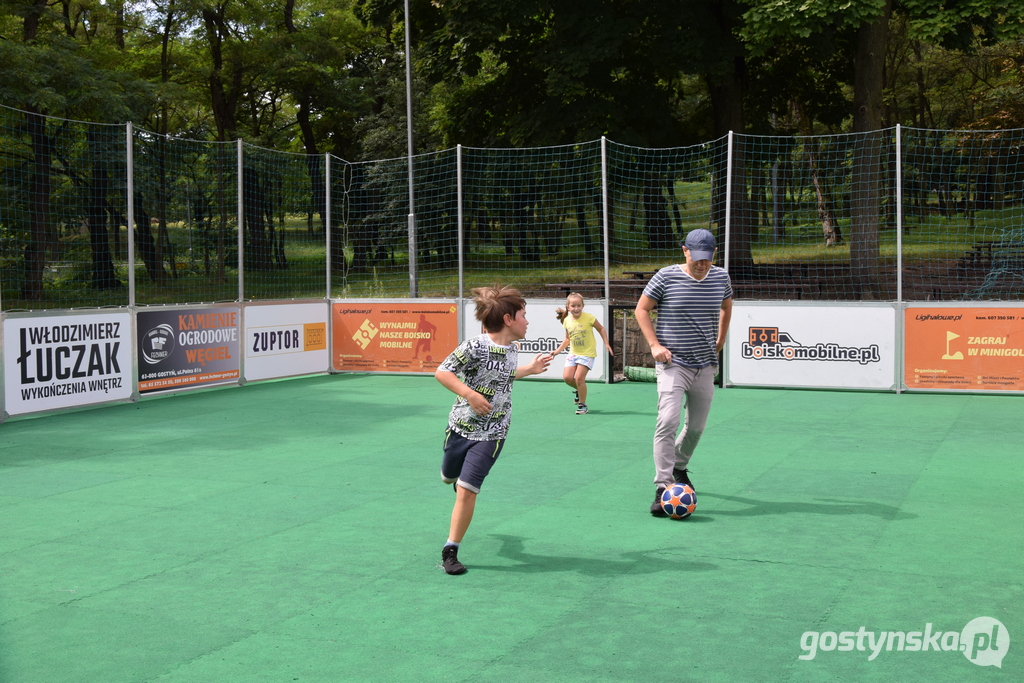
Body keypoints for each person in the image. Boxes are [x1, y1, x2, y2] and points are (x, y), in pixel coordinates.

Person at [434, 285, 552, 574]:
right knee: (449, 479)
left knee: (467, 490)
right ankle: (452, 478)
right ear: (509, 319)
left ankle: (451, 550)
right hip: (460, 427)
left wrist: (529, 369)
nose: (528, 322)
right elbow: (442, 372)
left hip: (493, 433)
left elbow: (504, 374)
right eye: (524, 315)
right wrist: (471, 395)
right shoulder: (474, 346)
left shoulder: (513, 348)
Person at [634, 228, 733, 517]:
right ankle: (663, 486)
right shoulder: (665, 277)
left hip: (705, 364)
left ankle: (679, 465)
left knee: (697, 427)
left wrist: (721, 338)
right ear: (685, 250)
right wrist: (654, 345)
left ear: (714, 253)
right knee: (667, 421)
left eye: (707, 258)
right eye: (696, 257)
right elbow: (641, 309)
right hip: (673, 364)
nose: (701, 264)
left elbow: (727, 306)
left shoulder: (720, 277)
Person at [552, 292, 613, 414]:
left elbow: (601, 328)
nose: (576, 308)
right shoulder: (567, 321)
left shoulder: (589, 317)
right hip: (573, 354)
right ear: (568, 307)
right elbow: (567, 339)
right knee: (567, 378)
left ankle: (583, 404)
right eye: (573, 306)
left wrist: (606, 343)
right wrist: (557, 351)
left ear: (583, 306)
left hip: (587, 354)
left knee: (579, 378)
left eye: (578, 305)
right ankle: (578, 390)